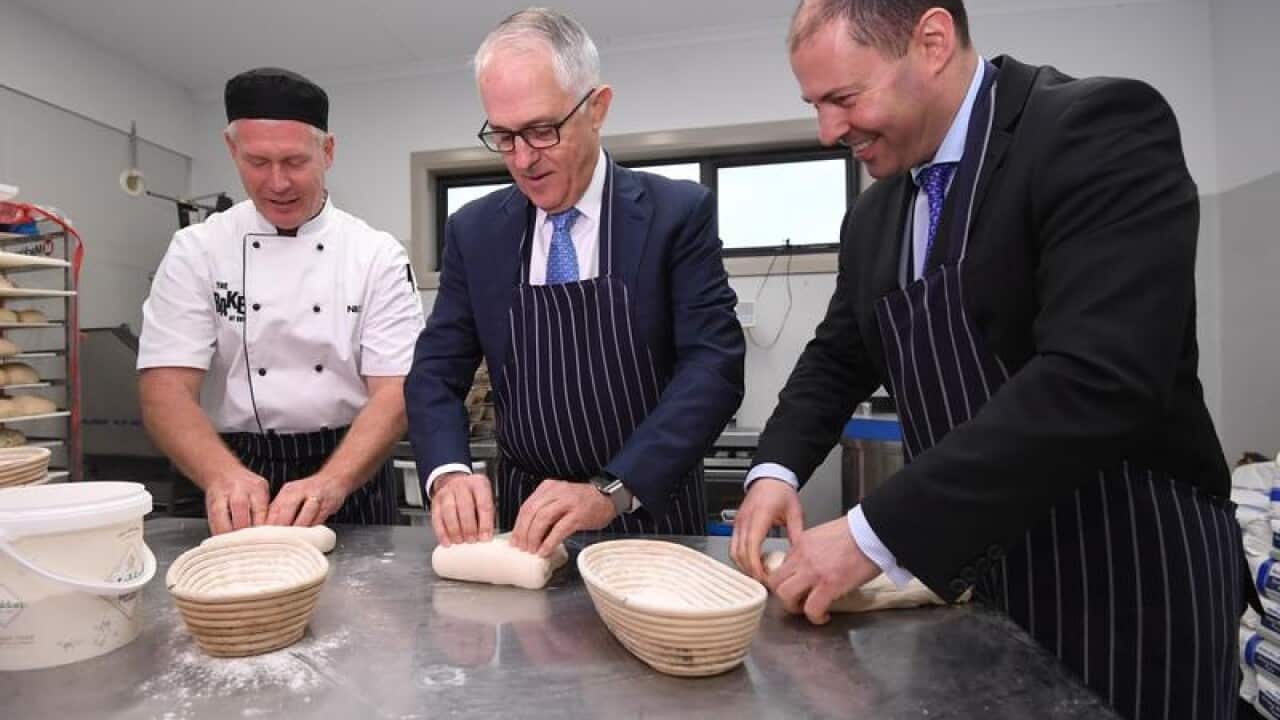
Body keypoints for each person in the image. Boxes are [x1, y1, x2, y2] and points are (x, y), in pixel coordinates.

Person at [729, 2, 1246, 719]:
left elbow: (1097, 380)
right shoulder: (877, 215)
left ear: (933, 42)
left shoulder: (1095, 130)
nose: (828, 131)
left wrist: (871, 532)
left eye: (845, 99)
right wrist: (775, 470)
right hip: (975, 578)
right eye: (815, 105)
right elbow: (837, 357)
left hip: (1126, 580)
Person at [406, 8, 744, 556]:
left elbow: (715, 367)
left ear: (597, 108)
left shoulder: (674, 213)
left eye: (542, 131)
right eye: (505, 136)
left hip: (651, 516)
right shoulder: (475, 232)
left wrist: (612, 488)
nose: (522, 159)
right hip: (528, 526)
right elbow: (436, 372)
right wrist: (447, 471)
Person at [138, 67, 425, 534]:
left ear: (327, 151)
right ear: (232, 150)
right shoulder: (197, 250)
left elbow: (395, 392)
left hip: (350, 468)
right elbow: (164, 389)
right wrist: (221, 474)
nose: (277, 183)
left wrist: (333, 481)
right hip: (231, 467)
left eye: (294, 162)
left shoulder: (376, 255)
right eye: (257, 162)